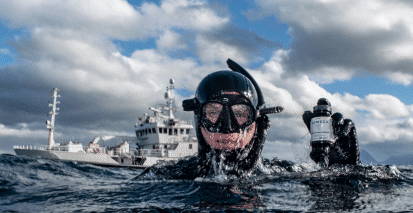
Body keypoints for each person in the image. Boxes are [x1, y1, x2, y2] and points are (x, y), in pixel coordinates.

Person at [138, 59, 360, 179]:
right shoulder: (163, 176)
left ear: (257, 120)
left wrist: (342, 172)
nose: (226, 128)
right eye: (213, 112)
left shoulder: (282, 173)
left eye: (241, 114)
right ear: (198, 117)